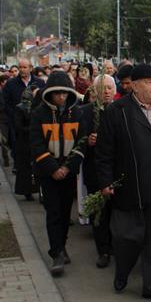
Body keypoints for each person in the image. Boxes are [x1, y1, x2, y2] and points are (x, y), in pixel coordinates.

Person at [92, 64, 151, 302]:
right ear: (135, 85)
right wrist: (105, 181)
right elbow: (104, 152)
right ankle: (123, 269)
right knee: (127, 237)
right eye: (149, 81)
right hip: (130, 186)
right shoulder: (117, 111)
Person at [30, 70, 85, 276]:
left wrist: (67, 167)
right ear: (49, 93)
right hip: (48, 173)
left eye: (64, 93)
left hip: (68, 172)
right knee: (53, 212)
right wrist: (53, 168)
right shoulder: (39, 114)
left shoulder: (77, 113)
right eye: (57, 93)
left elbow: (81, 142)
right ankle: (56, 254)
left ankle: (62, 245)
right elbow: (36, 144)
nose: (61, 97)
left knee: (64, 213)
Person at [80, 74, 118, 267]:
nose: (106, 92)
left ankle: (116, 246)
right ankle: (103, 250)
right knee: (100, 214)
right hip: (94, 169)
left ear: (115, 90)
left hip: (116, 170)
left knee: (117, 211)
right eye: (102, 88)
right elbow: (77, 140)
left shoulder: (121, 110)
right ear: (94, 91)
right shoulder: (85, 112)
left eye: (110, 88)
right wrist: (87, 140)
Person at [2, 58, 44, 163]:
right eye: (20, 67)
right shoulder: (11, 83)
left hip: (35, 120)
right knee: (18, 146)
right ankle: (18, 165)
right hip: (17, 122)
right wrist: (14, 116)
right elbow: (6, 102)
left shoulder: (39, 82)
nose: (22, 70)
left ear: (30, 68)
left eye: (24, 67)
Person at [13, 85, 39, 201]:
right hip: (24, 143)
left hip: (34, 141)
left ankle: (35, 189)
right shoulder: (20, 108)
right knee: (25, 168)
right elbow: (18, 126)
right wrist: (33, 128)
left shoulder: (38, 107)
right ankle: (26, 191)